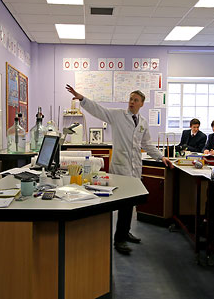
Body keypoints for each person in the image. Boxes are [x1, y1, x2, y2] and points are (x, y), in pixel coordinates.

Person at [65, 84, 169, 255]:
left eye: (136, 100)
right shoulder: (118, 115)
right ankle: (119, 239)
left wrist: (160, 157)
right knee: (125, 203)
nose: (132, 102)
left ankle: (125, 232)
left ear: (142, 104)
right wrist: (82, 98)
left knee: (130, 203)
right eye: (130, 99)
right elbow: (99, 110)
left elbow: (147, 144)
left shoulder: (142, 122)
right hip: (121, 167)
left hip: (135, 168)